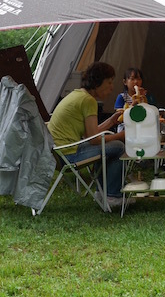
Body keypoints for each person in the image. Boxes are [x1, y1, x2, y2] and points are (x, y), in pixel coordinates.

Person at [47, 61, 126, 208]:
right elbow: (95, 140)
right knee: (118, 147)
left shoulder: (78, 95)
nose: (112, 87)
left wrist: (110, 122)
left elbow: (91, 134)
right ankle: (112, 197)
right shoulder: (89, 101)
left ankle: (102, 193)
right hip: (68, 155)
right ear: (97, 82)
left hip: (57, 153)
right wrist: (120, 136)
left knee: (109, 146)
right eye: (108, 82)